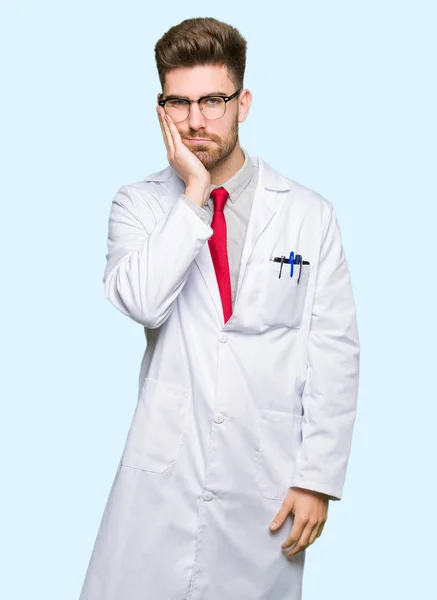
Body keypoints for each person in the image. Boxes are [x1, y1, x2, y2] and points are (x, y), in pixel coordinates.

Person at [79, 16, 360, 600]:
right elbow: (144, 301)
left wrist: (317, 479)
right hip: (162, 482)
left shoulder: (309, 214)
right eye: (178, 103)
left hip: (264, 481)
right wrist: (193, 193)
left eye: (213, 99)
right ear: (161, 108)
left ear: (243, 102)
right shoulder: (139, 205)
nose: (196, 119)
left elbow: (333, 352)